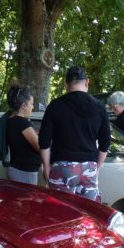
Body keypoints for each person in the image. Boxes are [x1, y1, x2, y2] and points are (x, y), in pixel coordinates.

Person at [38, 65, 111, 202]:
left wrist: (46, 167)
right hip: (89, 167)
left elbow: (44, 141)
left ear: (66, 84)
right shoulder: (99, 107)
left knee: (61, 210)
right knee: (88, 211)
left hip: (62, 167)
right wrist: (97, 167)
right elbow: (105, 142)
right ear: (87, 82)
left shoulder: (55, 105)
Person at [4, 85, 42, 184]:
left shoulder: (12, 120)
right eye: (31, 104)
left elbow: (22, 139)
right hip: (25, 172)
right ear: (24, 105)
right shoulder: (22, 122)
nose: (33, 107)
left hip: (19, 169)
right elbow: (39, 146)